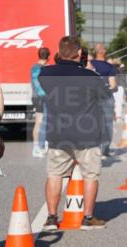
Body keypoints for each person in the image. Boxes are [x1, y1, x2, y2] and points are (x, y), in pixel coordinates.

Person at [39, 36, 114, 231]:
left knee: (55, 174)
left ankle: (52, 218)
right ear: (79, 53)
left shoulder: (46, 74)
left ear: (59, 51)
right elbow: (105, 96)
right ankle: (88, 218)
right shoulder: (91, 77)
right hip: (86, 133)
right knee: (90, 175)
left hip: (58, 133)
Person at [89, 43, 118, 156]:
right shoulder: (109, 67)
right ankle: (104, 150)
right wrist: (113, 88)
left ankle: (93, 148)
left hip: (91, 98)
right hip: (106, 97)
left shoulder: (89, 65)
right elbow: (113, 85)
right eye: (105, 49)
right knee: (107, 124)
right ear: (102, 52)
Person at [30, 47, 50, 157]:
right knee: (39, 122)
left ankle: (40, 146)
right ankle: (36, 147)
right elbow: (37, 84)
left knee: (42, 122)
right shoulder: (38, 68)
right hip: (40, 98)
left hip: (38, 97)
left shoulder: (36, 67)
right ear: (48, 56)